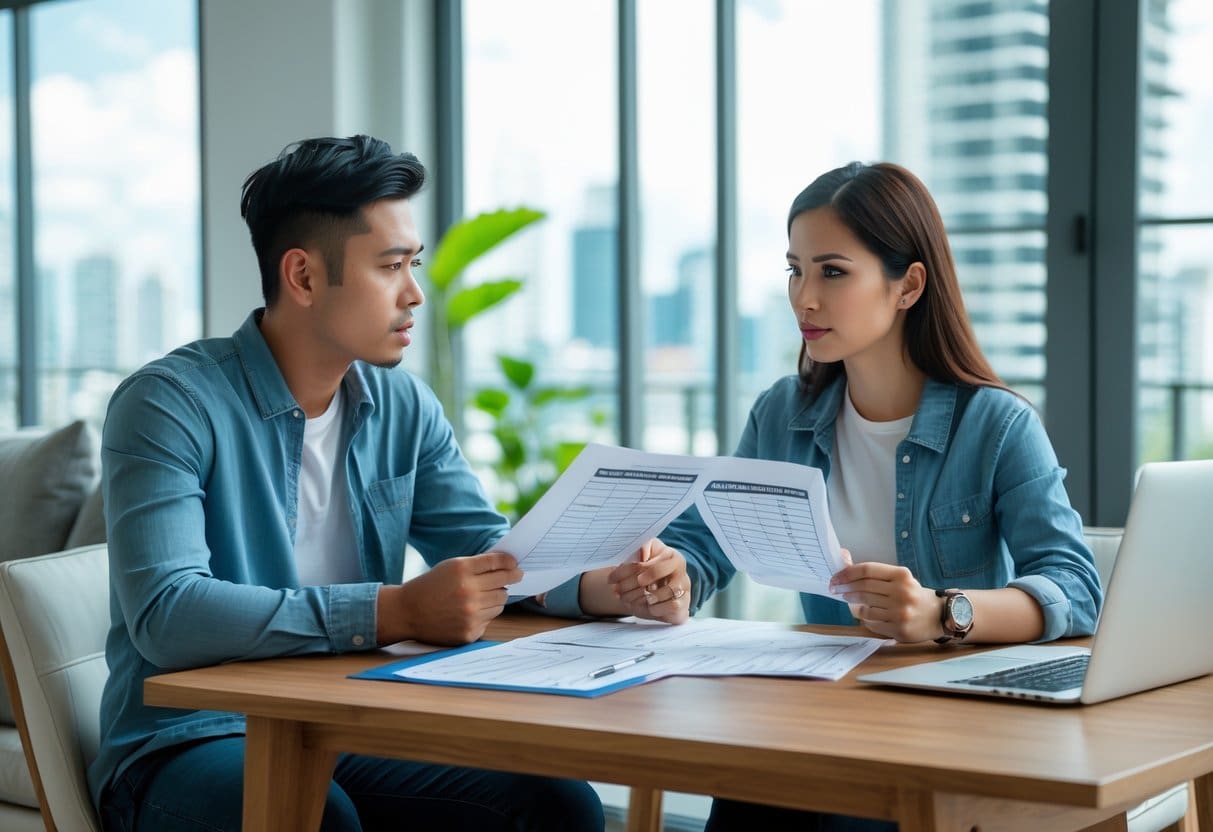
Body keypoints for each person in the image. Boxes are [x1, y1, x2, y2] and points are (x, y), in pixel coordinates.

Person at [89, 134, 688, 832]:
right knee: (315, 818)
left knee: (554, 803)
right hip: (190, 739)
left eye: (414, 265)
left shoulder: (401, 406)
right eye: (391, 266)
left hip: (346, 717)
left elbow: (487, 548)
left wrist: (604, 586)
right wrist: (395, 612)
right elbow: (169, 615)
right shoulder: (169, 403)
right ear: (304, 277)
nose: (414, 293)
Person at [638, 161, 1104, 832]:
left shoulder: (996, 424)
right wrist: (673, 578)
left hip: (962, 725)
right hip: (829, 712)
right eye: (794, 269)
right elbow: (707, 542)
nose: (805, 298)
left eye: (832, 271)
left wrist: (943, 613)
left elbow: (1074, 588)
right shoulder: (781, 413)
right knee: (749, 786)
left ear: (907, 284)